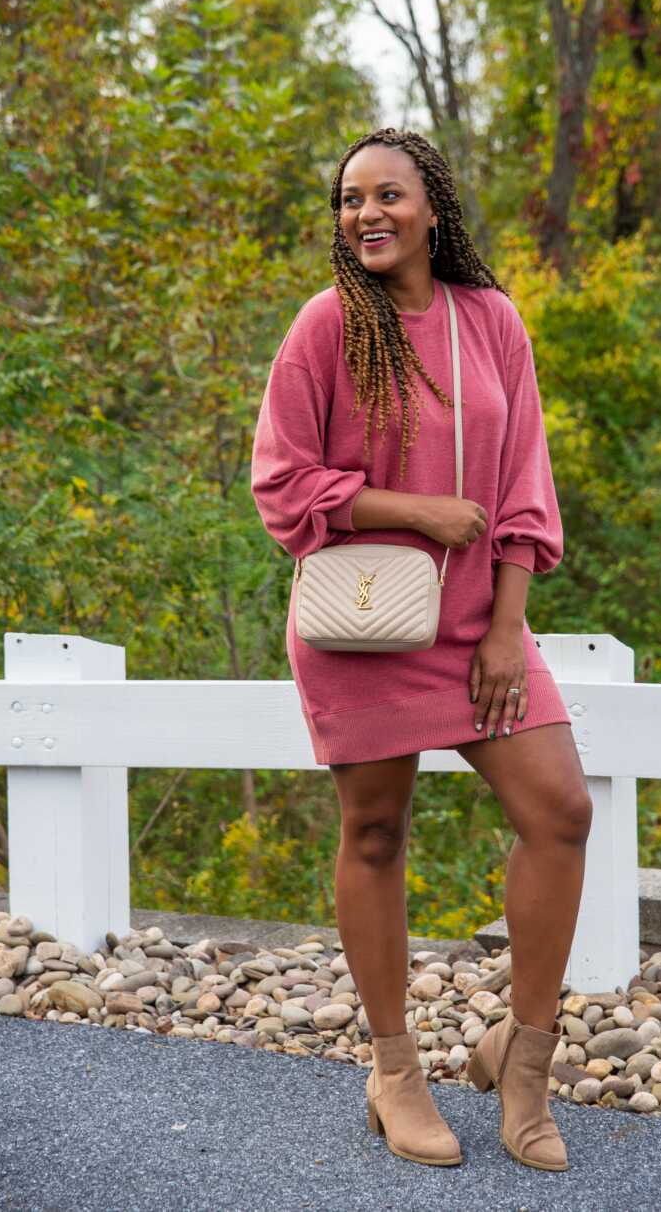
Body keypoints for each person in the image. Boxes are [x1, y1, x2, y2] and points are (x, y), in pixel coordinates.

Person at [250, 127, 593, 1172]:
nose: (367, 214)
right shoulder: (325, 329)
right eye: (351, 198)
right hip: (365, 626)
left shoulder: (489, 321)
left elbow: (526, 484)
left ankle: (521, 1061)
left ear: (433, 208)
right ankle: (394, 1070)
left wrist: (505, 627)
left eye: (388, 194)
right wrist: (419, 512)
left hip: (480, 624)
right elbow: (280, 483)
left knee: (561, 811)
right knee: (374, 835)